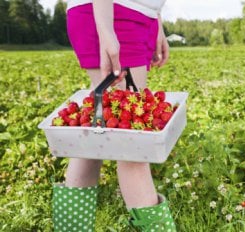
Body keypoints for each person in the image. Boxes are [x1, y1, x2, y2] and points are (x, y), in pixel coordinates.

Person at [51, 0, 175, 231]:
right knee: (132, 145)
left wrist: (155, 19)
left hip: (136, 15)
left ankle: (71, 227)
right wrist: (105, 29)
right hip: (111, 12)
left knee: (93, 133)